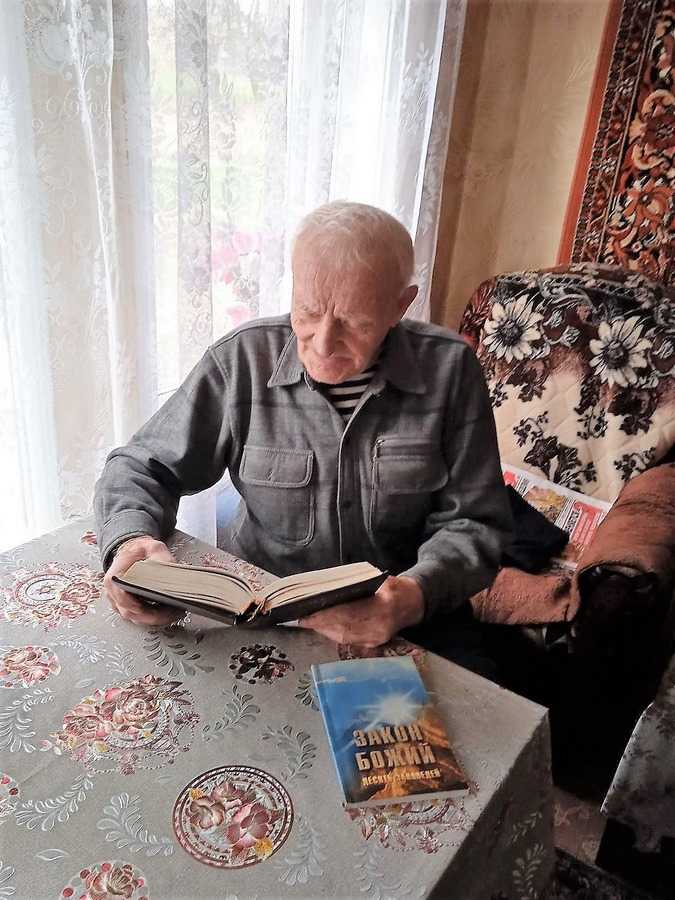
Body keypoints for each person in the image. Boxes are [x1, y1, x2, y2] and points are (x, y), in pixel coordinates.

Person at [95, 201, 511, 660]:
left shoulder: (451, 369)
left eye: (354, 321)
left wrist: (413, 596)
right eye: (308, 312)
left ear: (400, 305)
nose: (324, 342)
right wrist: (131, 541)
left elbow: (477, 521)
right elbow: (139, 466)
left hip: (406, 622)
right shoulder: (242, 361)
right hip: (266, 619)